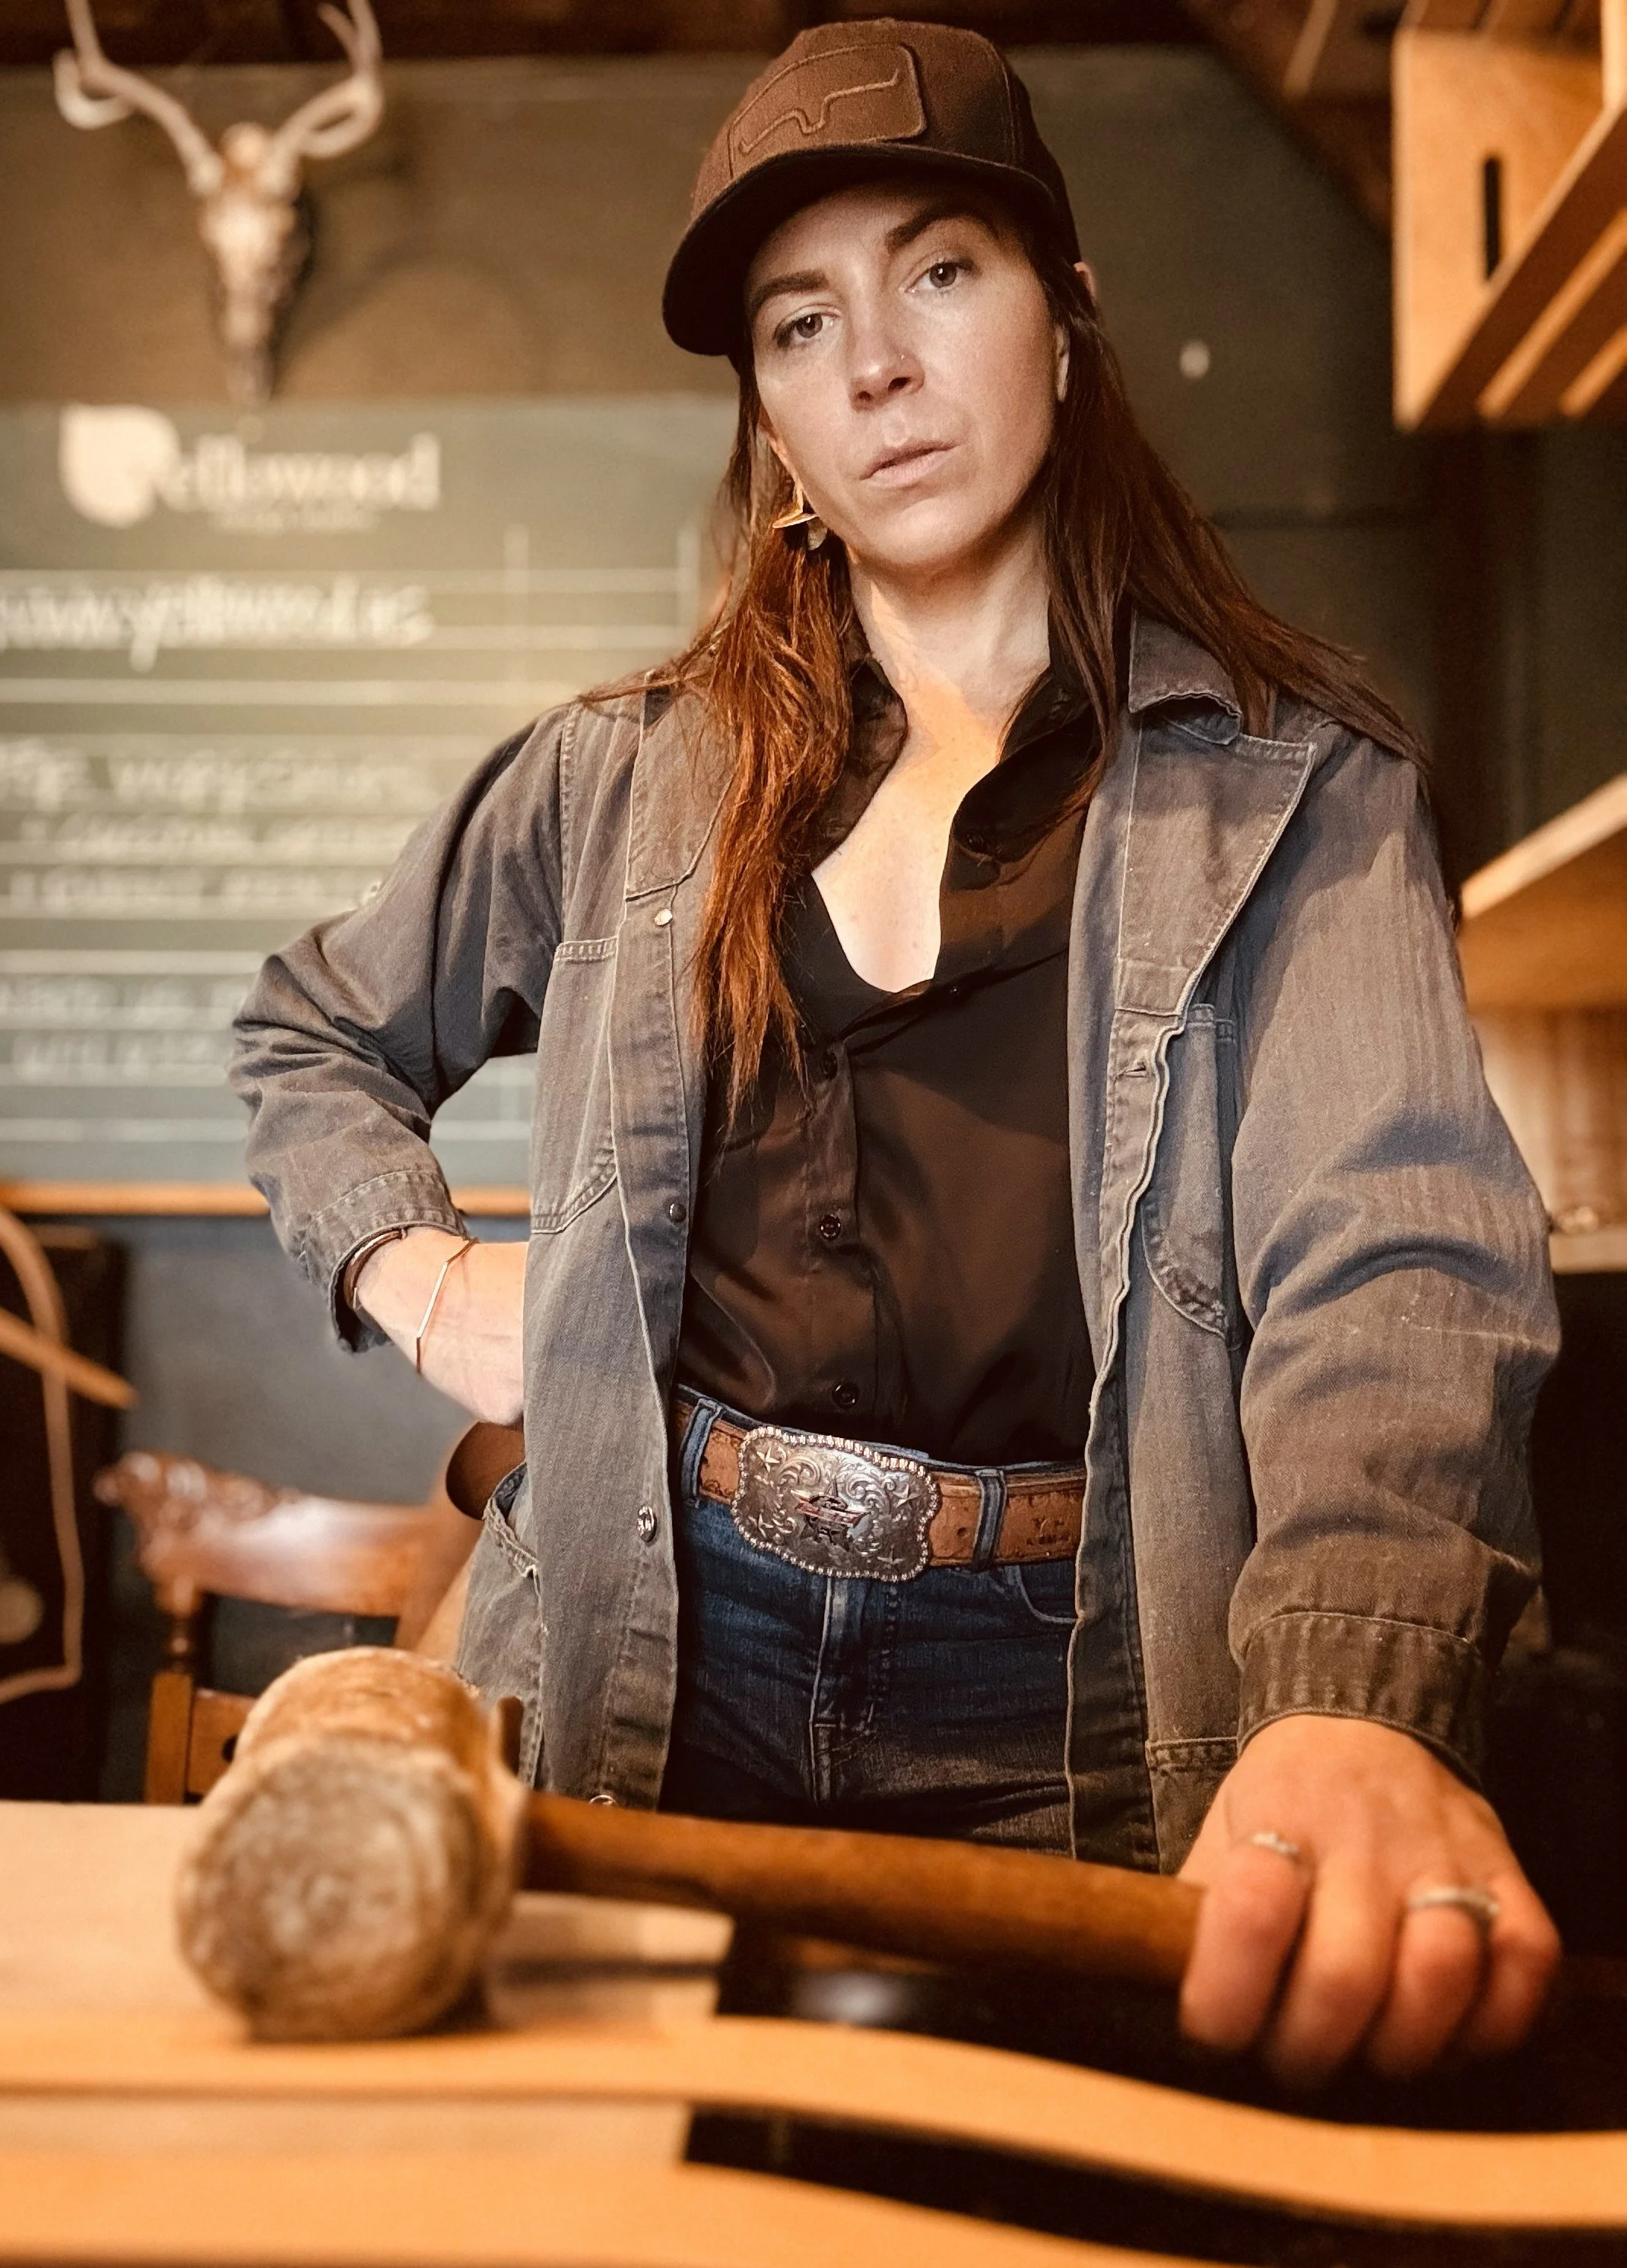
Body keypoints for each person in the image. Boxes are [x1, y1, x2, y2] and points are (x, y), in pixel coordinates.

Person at [230, 19, 1562, 2086]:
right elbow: (308, 1029)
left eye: (938, 272)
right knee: (616, 2228)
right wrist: (421, 1283)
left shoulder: (1294, 794)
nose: (871, 365)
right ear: (765, 410)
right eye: (796, 321)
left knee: (1050, 2227)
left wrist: (1348, 1697)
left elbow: (1387, 1263)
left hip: (1085, 1678)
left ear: (1067, 320)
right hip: (657, 1647)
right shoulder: (617, 782)